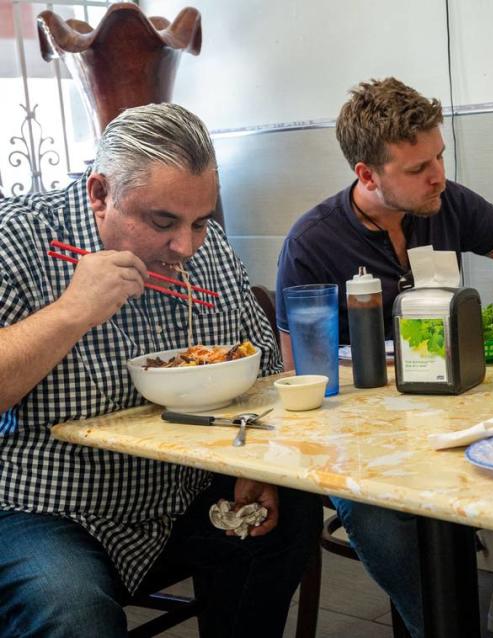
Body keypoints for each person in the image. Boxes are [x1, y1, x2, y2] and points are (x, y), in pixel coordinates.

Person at [276, 78, 493, 638]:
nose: (438, 176)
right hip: (364, 432)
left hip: (457, 405)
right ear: (367, 174)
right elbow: (300, 375)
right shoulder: (312, 242)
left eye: (440, 157)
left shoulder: (447, 203)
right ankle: (440, 624)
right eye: (417, 168)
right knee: (375, 513)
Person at [0, 103, 322, 637]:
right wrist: (72, 310)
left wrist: (252, 467)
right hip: (43, 506)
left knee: (290, 515)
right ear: (100, 194)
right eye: (163, 222)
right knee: (71, 609)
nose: (185, 247)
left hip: (181, 493)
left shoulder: (207, 248)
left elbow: (263, 369)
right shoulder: (21, 239)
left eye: (200, 222)